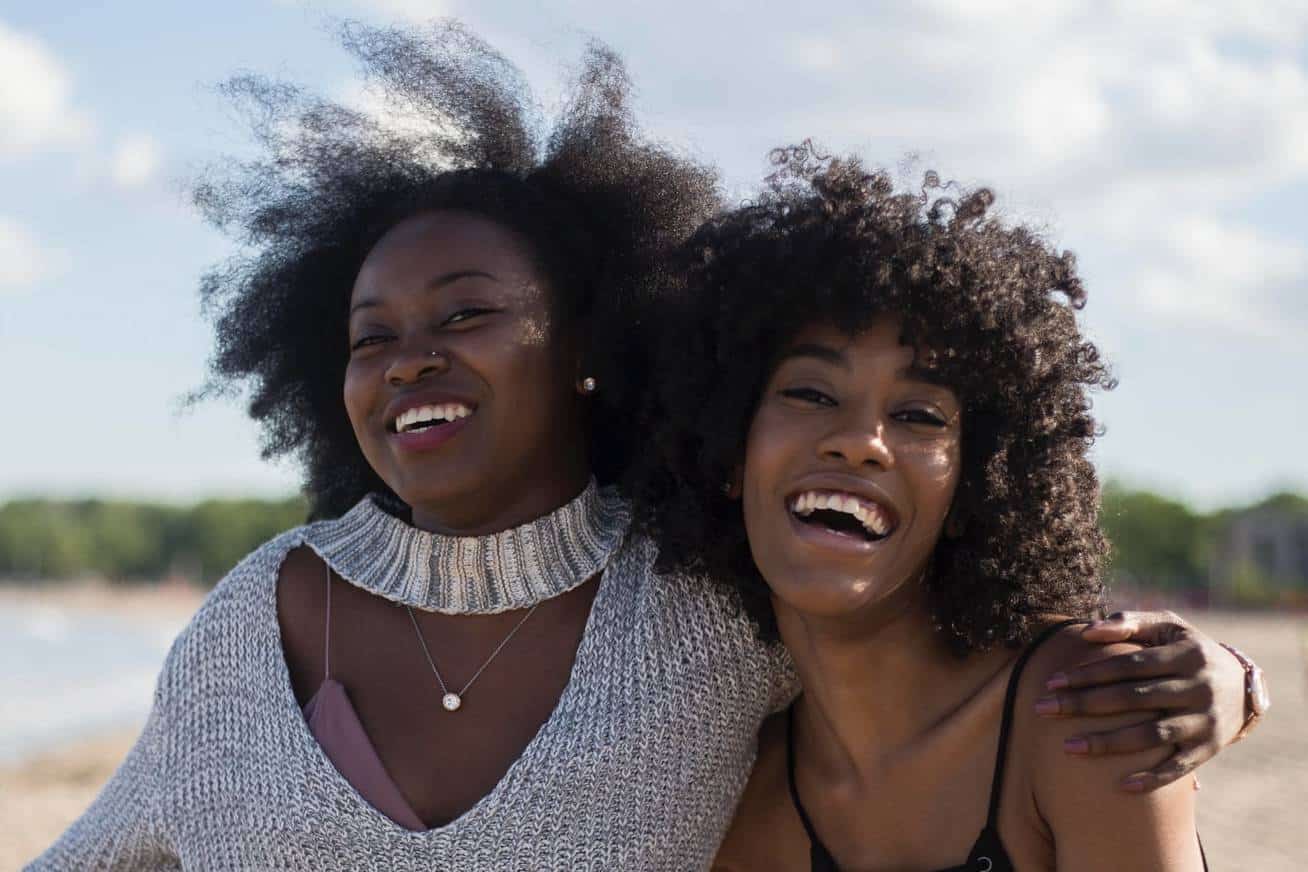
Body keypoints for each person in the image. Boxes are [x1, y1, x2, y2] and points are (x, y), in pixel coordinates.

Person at [31, 25, 1258, 872]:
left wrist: (1223, 672)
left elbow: (923, 629)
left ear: (589, 347)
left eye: (467, 313)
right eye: (372, 336)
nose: (411, 357)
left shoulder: (701, 602)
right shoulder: (250, 626)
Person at [632, 146, 1230, 870]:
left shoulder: (1084, 712)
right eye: (811, 394)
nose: (860, 442)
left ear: (973, 485)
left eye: (918, 415)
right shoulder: (747, 800)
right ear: (728, 449)